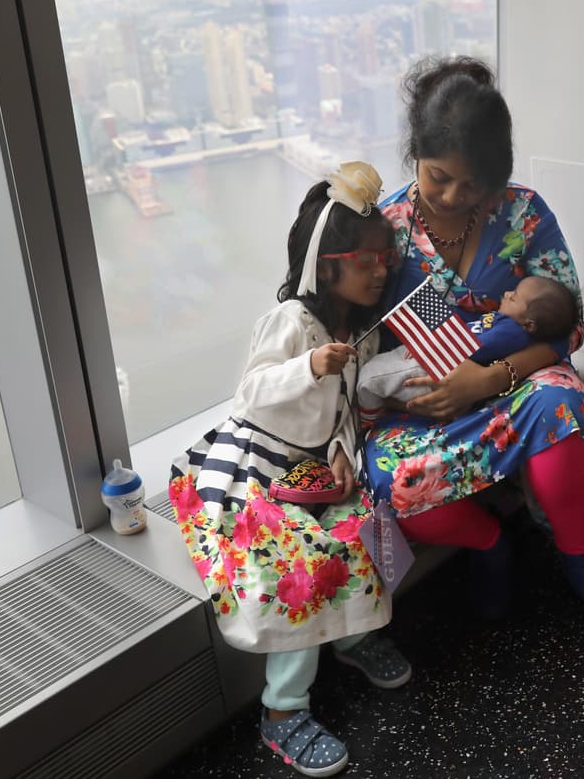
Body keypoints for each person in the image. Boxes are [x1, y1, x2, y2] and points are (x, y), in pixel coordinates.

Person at [364, 56, 584, 632]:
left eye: (472, 183)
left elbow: (568, 328)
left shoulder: (523, 213)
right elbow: (361, 340)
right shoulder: (387, 230)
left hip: (517, 384)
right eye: (438, 176)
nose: (452, 195)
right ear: (415, 151)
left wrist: (491, 378)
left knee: (562, 405)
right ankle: (487, 543)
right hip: (422, 403)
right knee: (391, 483)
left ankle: (581, 553)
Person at [168, 162, 411, 777]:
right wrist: (308, 367)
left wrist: (342, 452)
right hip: (260, 466)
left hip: (316, 466)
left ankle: (351, 638)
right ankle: (282, 709)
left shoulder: (363, 331)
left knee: (362, 533)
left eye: (385, 260)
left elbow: (345, 409)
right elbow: (250, 394)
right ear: (325, 266)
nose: (380, 272)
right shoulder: (292, 324)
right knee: (298, 568)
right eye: (367, 261)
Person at [357, 275, 579, 418]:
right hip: (437, 354)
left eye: (514, 298)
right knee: (377, 369)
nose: (507, 293)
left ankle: (369, 417)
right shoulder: (505, 322)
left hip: (442, 369)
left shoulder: (512, 331)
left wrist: (433, 345)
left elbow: (474, 347)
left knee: (369, 377)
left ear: (529, 324)